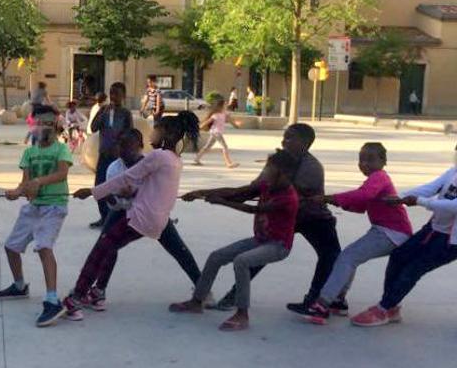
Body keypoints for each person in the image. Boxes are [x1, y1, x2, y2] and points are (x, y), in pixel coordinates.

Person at [64, 112, 201, 320]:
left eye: (157, 130)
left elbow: (128, 177)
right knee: (110, 247)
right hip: (156, 218)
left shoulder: (157, 157)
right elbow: (146, 184)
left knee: (102, 248)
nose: (152, 135)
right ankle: (203, 291)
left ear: (169, 134)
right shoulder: (174, 159)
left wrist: (93, 192)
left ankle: (76, 298)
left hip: (141, 216)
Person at [205, 124, 340, 314]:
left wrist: (223, 200)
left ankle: (317, 299)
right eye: (284, 137)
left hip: (313, 218)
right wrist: (209, 194)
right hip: (284, 216)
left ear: (306, 143)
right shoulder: (277, 163)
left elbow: (269, 198)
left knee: (331, 255)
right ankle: (234, 295)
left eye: (290, 138)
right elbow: (250, 190)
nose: (284, 141)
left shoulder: (312, 167)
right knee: (259, 255)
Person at [170, 150, 299, 331]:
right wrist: (200, 193)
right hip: (261, 240)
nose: (265, 171)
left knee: (242, 261)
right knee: (216, 257)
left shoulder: (288, 198)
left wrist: (221, 202)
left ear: (284, 173)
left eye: (270, 168)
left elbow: (254, 210)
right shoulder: (268, 185)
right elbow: (236, 192)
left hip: (278, 246)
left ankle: (242, 314)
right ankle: (196, 302)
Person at [292, 143, 412, 325]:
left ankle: (321, 306)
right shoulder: (376, 179)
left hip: (391, 233)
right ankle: (338, 301)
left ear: (383, 161)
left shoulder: (379, 177)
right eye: (361, 159)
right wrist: (333, 202)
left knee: (347, 258)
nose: (364, 163)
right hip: (387, 231)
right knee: (349, 258)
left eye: (370, 159)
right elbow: (360, 206)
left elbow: (363, 195)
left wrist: (329, 198)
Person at [350, 143, 457, 327]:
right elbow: (430, 188)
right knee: (399, 256)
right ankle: (391, 307)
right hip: (433, 229)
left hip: (451, 241)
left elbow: (453, 206)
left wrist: (420, 202)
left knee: (414, 268)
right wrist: (401, 196)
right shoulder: (453, 172)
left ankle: (383, 309)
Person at [0, 106, 72, 327]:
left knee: (44, 247)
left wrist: (39, 182)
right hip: (34, 207)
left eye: (47, 122)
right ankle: (19, 286)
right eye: (38, 122)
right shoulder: (29, 152)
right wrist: (17, 192)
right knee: (11, 247)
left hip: (54, 207)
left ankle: (52, 300)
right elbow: (25, 182)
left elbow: (62, 173)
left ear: (55, 125)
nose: (41, 127)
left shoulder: (61, 150)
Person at [89, 82, 133, 228]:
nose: (114, 97)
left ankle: (116, 218)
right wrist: (102, 112)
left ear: (123, 96)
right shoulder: (104, 110)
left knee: (116, 187)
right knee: (99, 186)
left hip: (118, 156)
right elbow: (93, 127)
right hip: (104, 154)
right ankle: (104, 216)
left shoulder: (125, 113)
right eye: (111, 93)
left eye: (117, 94)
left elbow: (130, 133)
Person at [194, 97, 239, 168]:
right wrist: (199, 127)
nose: (226, 105)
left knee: (207, 147)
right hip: (216, 133)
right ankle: (228, 163)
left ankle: (197, 159)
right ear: (221, 106)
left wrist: (236, 124)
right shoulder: (215, 115)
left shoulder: (224, 114)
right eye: (225, 104)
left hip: (214, 133)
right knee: (225, 147)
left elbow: (230, 121)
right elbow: (207, 122)